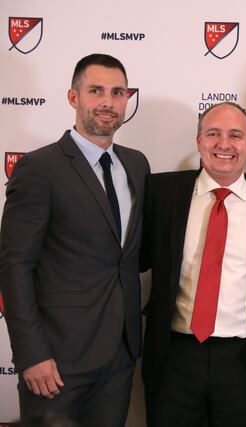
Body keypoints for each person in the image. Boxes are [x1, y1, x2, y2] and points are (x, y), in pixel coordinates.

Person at [0, 53, 150, 426]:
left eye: (117, 93)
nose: (107, 102)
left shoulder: (137, 164)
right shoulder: (39, 167)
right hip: (56, 359)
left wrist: (242, 183)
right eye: (95, 90)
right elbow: (15, 266)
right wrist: (31, 354)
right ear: (73, 98)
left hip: (120, 355)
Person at [141, 102, 246, 427]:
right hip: (174, 356)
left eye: (235, 135)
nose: (223, 144)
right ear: (198, 141)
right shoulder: (161, 192)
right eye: (213, 134)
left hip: (243, 362)